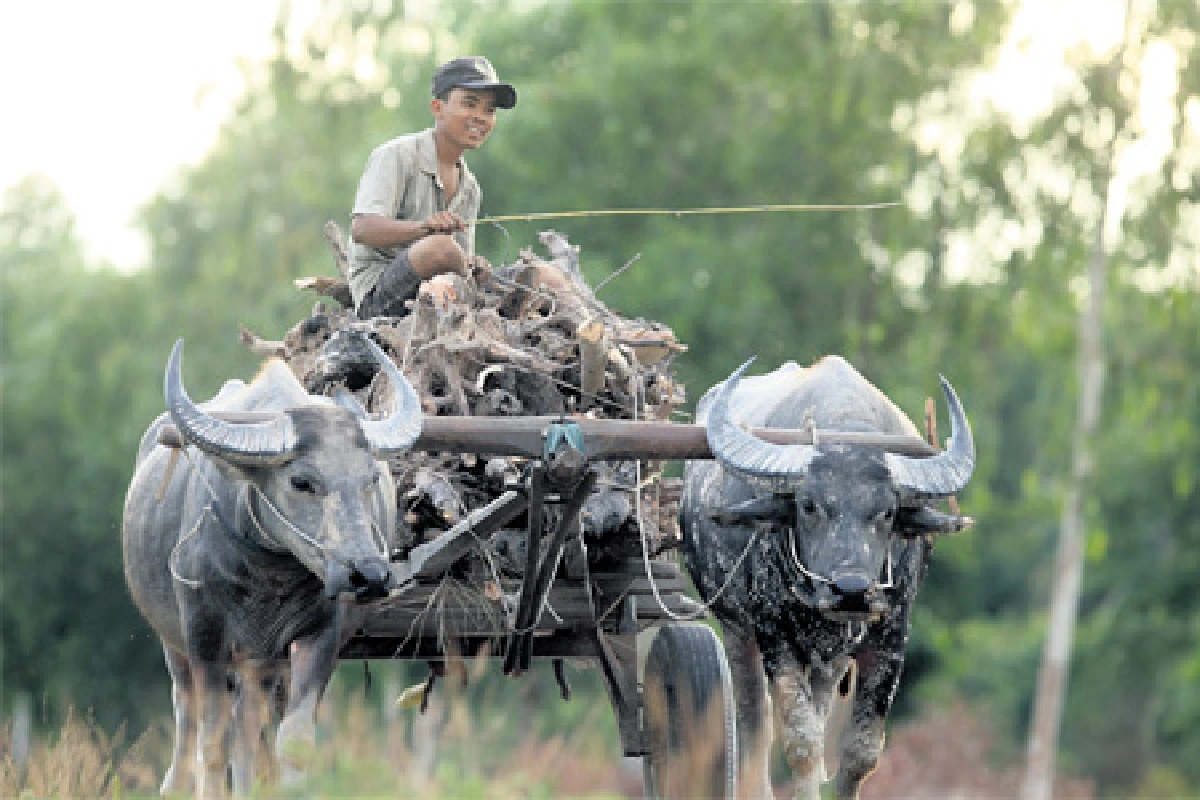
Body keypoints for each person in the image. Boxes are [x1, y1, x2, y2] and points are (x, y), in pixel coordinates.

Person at [347, 56, 517, 318]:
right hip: (379, 299)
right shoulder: (396, 155)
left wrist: (474, 267)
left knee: (537, 276)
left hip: (439, 296)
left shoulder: (470, 187)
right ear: (437, 108)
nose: (480, 117)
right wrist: (423, 228)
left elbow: (458, 262)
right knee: (440, 247)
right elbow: (362, 229)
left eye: (489, 110)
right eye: (470, 104)